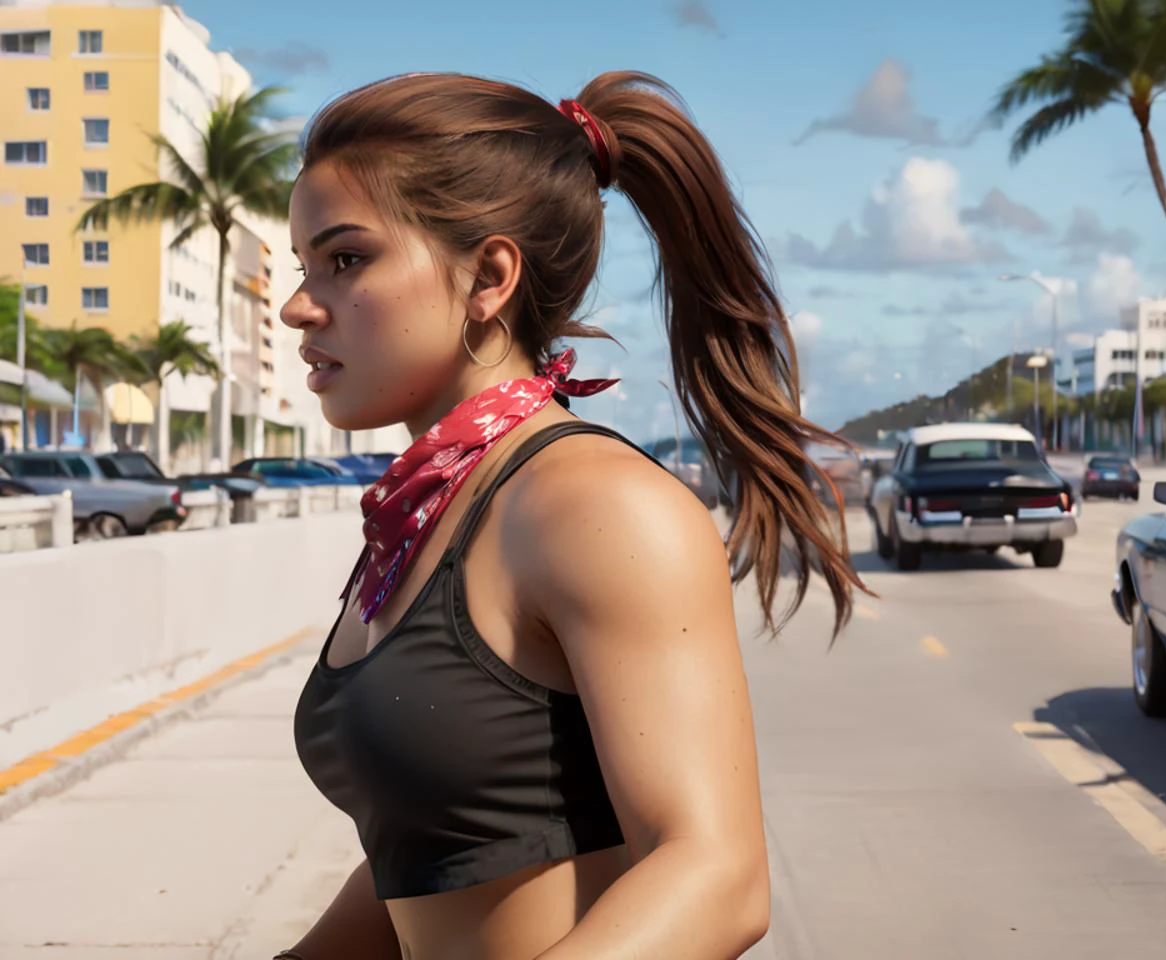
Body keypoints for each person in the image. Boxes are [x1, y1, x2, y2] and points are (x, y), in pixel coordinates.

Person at [276, 71, 867, 960]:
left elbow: (716, 876)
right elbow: (435, 846)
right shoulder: (425, 510)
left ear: (490, 276)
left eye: (346, 259)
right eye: (301, 267)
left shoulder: (595, 506)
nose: (296, 305)